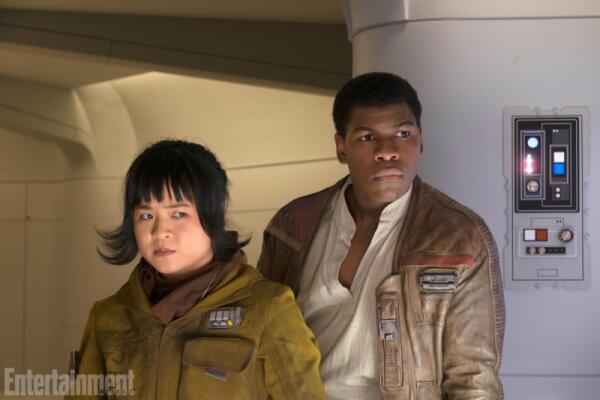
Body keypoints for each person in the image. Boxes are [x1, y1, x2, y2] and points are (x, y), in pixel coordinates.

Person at [258, 72, 505, 399]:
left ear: (421, 138)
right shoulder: (292, 225)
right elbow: (259, 341)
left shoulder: (459, 236)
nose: (387, 151)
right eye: (367, 137)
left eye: (403, 133)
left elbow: (473, 378)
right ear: (341, 147)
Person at [72, 140, 326, 399]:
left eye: (179, 214)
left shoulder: (268, 309)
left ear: (215, 214)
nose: (159, 232)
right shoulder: (107, 316)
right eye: (146, 216)